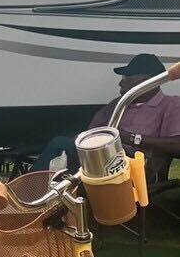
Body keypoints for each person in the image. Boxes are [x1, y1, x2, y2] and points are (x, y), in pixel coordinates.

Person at [33, 54, 180, 181]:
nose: (121, 82)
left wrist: (131, 138)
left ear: (147, 82)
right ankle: (34, 201)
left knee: (61, 144)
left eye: (127, 78)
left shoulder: (170, 105)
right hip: (99, 160)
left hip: (134, 166)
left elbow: (176, 144)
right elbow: (91, 133)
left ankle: (26, 202)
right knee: (63, 145)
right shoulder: (117, 104)